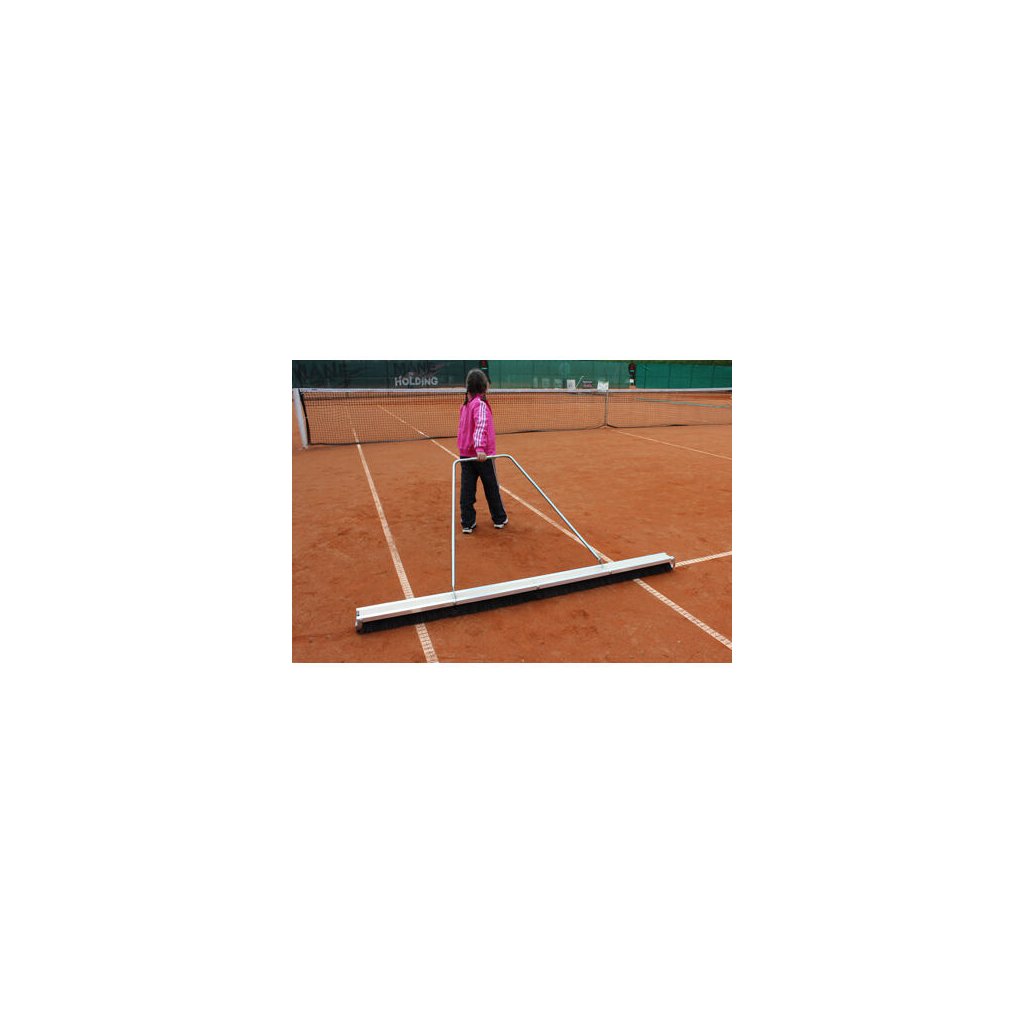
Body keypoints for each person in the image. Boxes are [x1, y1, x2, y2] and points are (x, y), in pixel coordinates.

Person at [457, 368, 508, 533]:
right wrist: (479, 448)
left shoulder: (466, 405)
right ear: (484, 386)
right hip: (482, 456)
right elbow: (481, 426)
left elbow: (463, 430)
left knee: (467, 490)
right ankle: (499, 518)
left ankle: (467, 522)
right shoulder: (479, 405)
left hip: (466, 455)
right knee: (491, 487)